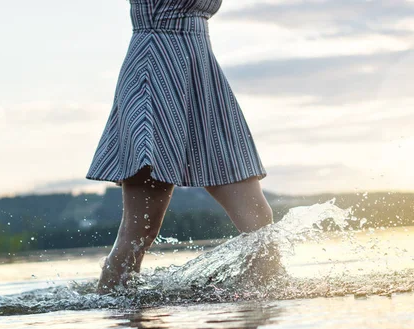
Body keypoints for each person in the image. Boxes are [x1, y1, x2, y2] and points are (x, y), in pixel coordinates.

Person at [86, 0, 273, 294]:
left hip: (202, 78)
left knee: (260, 224)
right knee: (140, 232)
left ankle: (263, 315)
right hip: (155, 73)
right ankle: (112, 311)